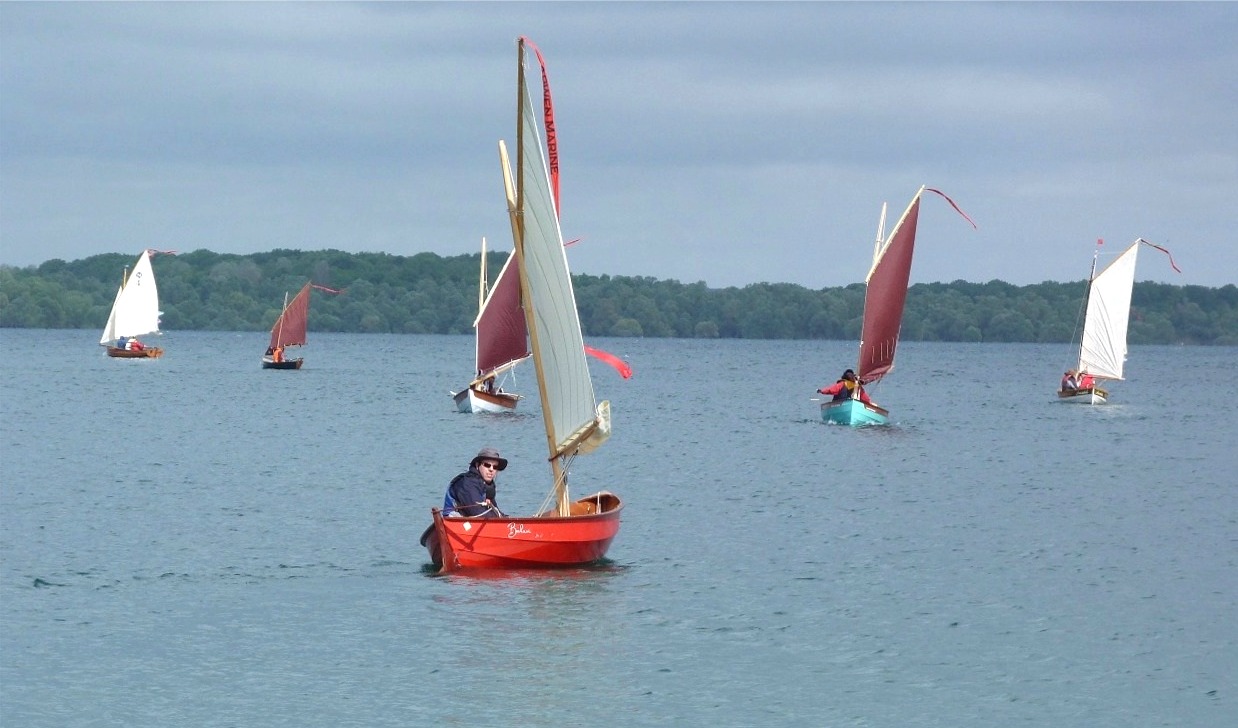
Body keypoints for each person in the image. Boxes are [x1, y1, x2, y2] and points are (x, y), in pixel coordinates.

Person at [443, 447, 507, 518]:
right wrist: (501, 518)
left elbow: (495, 510)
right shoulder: (467, 484)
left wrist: (507, 519)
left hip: (474, 523)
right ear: (477, 465)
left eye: (495, 467)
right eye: (487, 465)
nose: (491, 469)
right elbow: (477, 513)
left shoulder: (488, 487)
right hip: (455, 523)